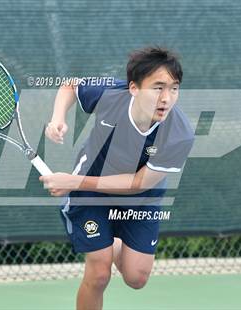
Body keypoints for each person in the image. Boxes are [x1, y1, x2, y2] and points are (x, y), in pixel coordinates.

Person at [39, 46, 194, 310]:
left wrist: (72, 182)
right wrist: (57, 119)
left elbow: (138, 184)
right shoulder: (111, 93)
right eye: (157, 88)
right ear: (134, 88)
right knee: (99, 274)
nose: (166, 98)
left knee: (136, 278)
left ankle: (113, 243)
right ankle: (104, 246)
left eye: (174, 88)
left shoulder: (179, 134)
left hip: (141, 198)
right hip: (91, 193)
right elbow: (70, 87)